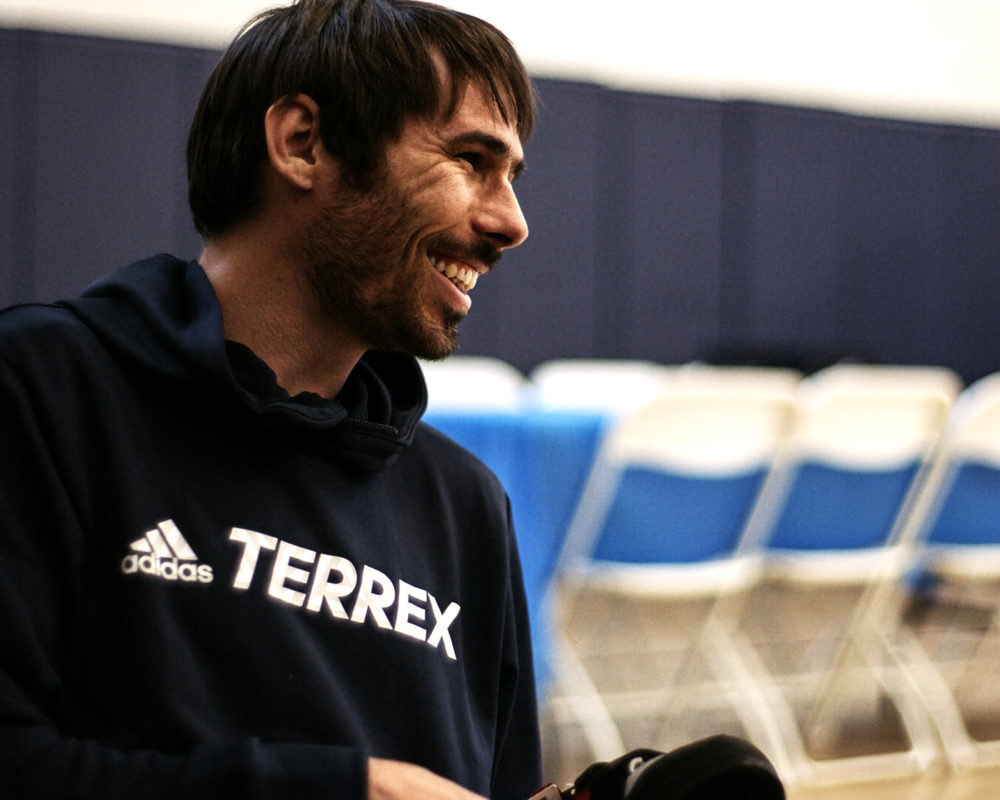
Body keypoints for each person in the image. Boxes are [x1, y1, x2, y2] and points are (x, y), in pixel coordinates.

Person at [0, 0, 540, 797]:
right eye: (469, 160)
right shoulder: (42, 391)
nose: (511, 222)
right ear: (303, 143)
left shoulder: (465, 506)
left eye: (512, 177)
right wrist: (352, 790)